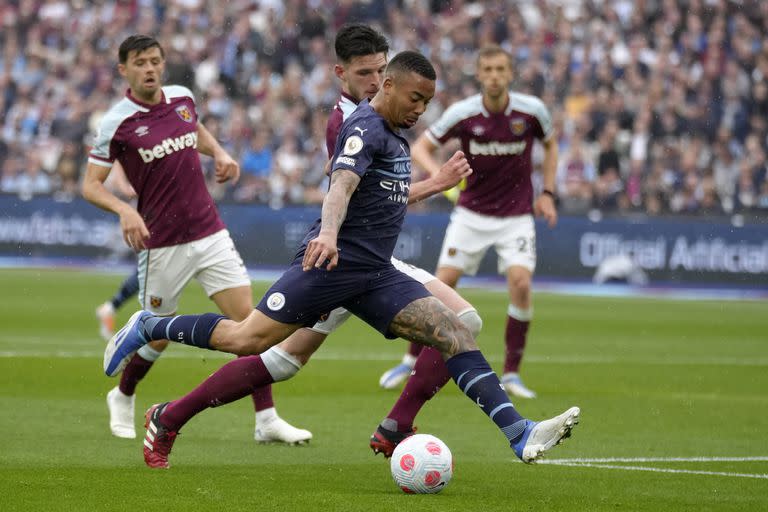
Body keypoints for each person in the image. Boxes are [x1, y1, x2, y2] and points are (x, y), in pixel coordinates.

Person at [104, 49, 580, 470]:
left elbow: (382, 195)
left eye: (427, 103)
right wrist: (329, 234)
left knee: (455, 328)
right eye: (414, 98)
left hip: (375, 273)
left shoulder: (394, 135)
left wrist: (435, 185)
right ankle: (151, 327)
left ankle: (519, 433)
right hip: (330, 268)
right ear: (385, 85)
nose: (420, 110)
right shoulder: (364, 128)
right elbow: (342, 185)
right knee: (247, 339)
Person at [82, 34, 311, 445]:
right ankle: (123, 393)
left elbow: (195, 129)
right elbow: (90, 185)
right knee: (157, 334)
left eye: (155, 60)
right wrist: (125, 210)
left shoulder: (182, 98)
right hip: (162, 243)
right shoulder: (116, 122)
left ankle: (266, 419)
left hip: (210, 232)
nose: (150, 68)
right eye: (140, 62)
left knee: (250, 325)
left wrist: (220, 153)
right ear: (124, 70)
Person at [401, 45, 560, 399]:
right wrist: (440, 179)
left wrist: (547, 192)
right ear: (479, 73)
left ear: (510, 73)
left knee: (520, 283)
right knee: (441, 285)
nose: (494, 76)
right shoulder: (463, 112)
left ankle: (513, 372)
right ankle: (410, 359)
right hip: (470, 213)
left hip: (516, 216)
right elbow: (420, 148)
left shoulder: (531, 112)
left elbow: (551, 144)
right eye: (487, 69)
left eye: (500, 69)